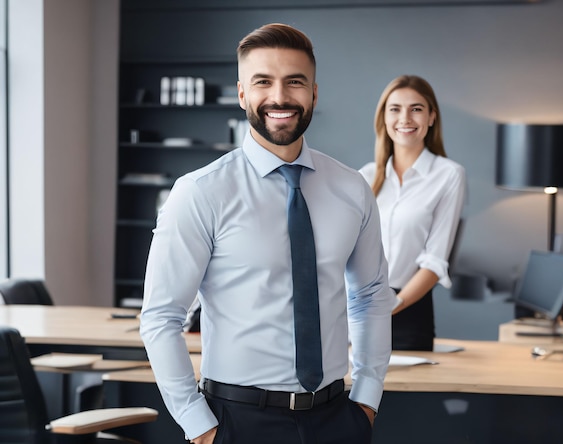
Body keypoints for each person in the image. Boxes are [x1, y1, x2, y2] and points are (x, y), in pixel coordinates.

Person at [140, 23, 394, 444]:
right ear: (242, 93)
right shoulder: (200, 193)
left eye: (295, 82)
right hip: (237, 423)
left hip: (336, 420)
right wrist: (200, 427)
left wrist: (366, 400)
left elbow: (369, 296)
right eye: (263, 82)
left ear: (314, 93)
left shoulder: (352, 189)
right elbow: (161, 317)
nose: (280, 97)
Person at [359, 75, 466, 351]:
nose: (405, 118)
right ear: (383, 117)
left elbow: (434, 261)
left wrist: (389, 308)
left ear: (431, 117)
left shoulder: (448, 175)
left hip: (408, 310)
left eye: (416, 109)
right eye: (395, 109)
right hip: (359, 308)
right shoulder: (365, 177)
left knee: (404, 394)